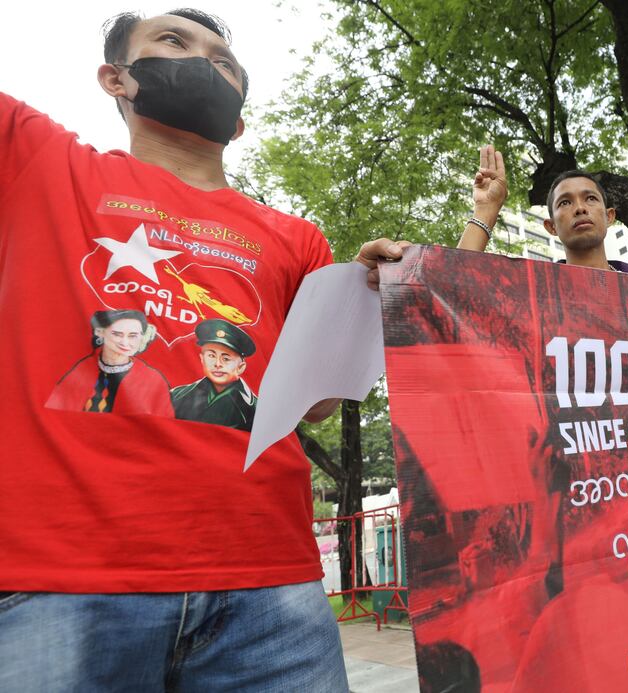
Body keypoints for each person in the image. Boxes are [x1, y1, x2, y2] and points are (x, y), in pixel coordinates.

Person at [0, 8, 407, 690]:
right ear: (116, 79)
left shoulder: (297, 239)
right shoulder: (37, 159)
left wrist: (364, 304)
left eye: (223, 59)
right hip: (62, 582)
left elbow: (316, 406)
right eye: (173, 42)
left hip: (272, 591)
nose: (204, 60)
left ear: (239, 116)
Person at [457, 145, 628, 276]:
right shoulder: (534, 289)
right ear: (551, 226)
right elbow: (457, 289)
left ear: (609, 216)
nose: (580, 208)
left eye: (590, 198)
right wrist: (486, 209)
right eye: (565, 203)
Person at [46, 309, 173, 416]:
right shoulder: (80, 369)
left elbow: (163, 425)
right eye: (117, 334)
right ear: (100, 332)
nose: (125, 342)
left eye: (133, 336)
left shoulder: (153, 380)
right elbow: (54, 411)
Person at [171, 318, 257, 430]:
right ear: (202, 359)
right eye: (211, 356)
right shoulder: (177, 396)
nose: (217, 364)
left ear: (240, 367)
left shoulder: (255, 410)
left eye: (226, 358)